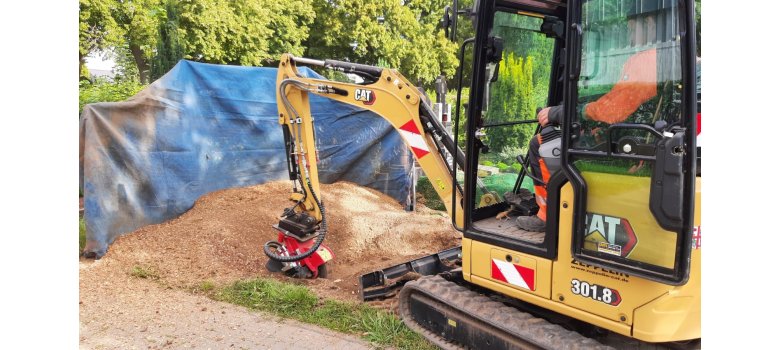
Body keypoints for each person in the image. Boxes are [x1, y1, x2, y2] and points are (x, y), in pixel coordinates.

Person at [515, 47, 663, 232]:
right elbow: (619, 101)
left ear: (646, 21)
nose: (630, 32)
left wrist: (564, 112)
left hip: (630, 147)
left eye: (631, 25)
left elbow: (614, 109)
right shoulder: (664, 57)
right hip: (635, 139)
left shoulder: (646, 59)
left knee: (540, 143)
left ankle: (548, 216)